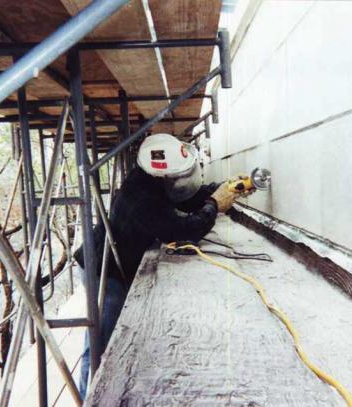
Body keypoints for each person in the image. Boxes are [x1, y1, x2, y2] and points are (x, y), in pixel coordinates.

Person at [74, 133, 246, 397]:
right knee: (100, 344)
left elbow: (185, 198)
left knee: (110, 338)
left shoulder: (149, 181)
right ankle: (90, 398)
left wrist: (221, 189)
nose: (180, 180)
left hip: (114, 261)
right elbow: (182, 229)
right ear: (163, 175)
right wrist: (214, 204)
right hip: (103, 270)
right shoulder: (142, 198)